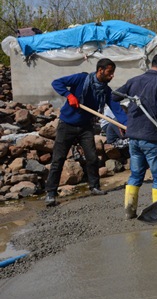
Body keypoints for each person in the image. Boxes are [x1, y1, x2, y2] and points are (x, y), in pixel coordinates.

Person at [44, 58, 127, 206]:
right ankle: (50, 193)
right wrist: (69, 96)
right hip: (67, 124)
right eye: (109, 72)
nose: (112, 76)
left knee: (92, 157)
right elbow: (57, 82)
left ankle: (94, 186)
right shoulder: (81, 79)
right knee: (58, 159)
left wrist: (125, 124)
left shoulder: (105, 91)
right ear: (100, 70)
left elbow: (116, 109)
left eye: (113, 73)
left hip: (85, 126)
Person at [115, 53, 157, 219]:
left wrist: (124, 118)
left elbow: (114, 96)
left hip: (134, 138)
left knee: (136, 175)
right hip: (152, 138)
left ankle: (129, 211)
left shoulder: (134, 80)